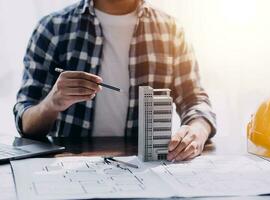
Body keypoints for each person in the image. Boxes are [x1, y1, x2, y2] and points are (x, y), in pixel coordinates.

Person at [13, 0, 216, 161]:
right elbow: (26, 123)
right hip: (68, 166)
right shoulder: (52, 29)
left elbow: (195, 100)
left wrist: (197, 131)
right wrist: (52, 103)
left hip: (145, 168)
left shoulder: (171, 30)